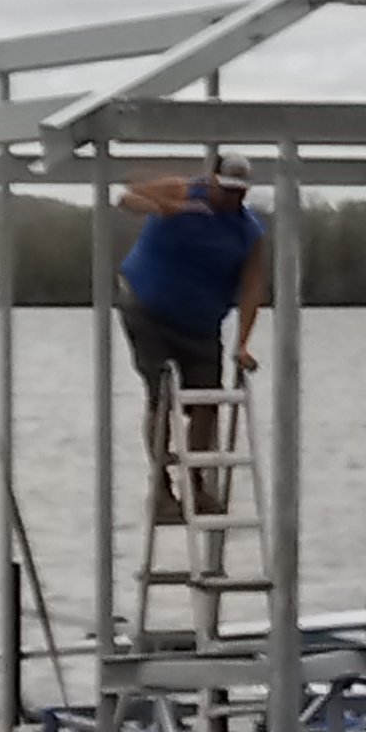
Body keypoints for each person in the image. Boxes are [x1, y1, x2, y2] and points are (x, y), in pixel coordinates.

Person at [116, 152, 268, 510]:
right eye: (228, 189)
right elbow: (127, 196)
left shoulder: (248, 232)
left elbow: (252, 289)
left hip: (201, 325)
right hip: (148, 309)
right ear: (212, 180)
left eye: (241, 191)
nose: (234, 198)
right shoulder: (184, 190)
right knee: (162, 394)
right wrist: (166, 206)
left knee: (207, 403)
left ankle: (196, 483)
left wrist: (242, 344)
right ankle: (160, 485)